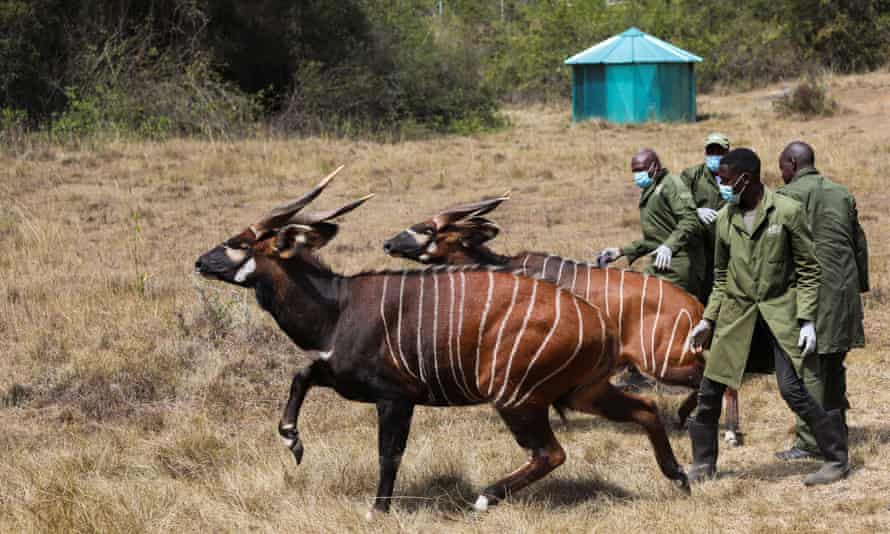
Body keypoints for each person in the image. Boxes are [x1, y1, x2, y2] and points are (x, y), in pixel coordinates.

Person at [687, 148, 850, 486]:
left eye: (727, 179)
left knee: (794, 389)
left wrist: (806, 319)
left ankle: (836, 459)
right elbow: (720, 276)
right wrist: (708, 321)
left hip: (780, 314)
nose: (722, 185)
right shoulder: (724, 219)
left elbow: (809, 270)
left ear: (746, 178)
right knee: (709, 390)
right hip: (737, 315)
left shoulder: (787, 211)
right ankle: (704, 464)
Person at [773, 141, 869, 461]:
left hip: (810, 294)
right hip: (844, 290)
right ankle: (836, 426)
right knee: (833, 364)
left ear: (793, 163)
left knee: (807, 368)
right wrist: (860, 286)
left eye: (782, 166)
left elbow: (779, 253)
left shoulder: (786, 197)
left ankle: (812, 441)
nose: (780, 173)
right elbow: (859, 243)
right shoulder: (842, 193)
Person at [596, 148, 707, 301]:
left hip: (678, 264)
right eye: (634, 171)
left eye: (640, 170)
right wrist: (621, 251)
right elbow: (654, 239)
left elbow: (689, 219)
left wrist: (669, 246)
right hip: (659, 262)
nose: (637, 175)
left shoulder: (671, 184)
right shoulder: (650, 190)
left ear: (654, 167)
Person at [681, 133, 730, 303]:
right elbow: (678, 204)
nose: (715, 156)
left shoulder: (736, 174)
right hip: (700, 243)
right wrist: (697, 211)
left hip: (726, 240)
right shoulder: (692, 175)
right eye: (711, 151)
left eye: (719, 151)